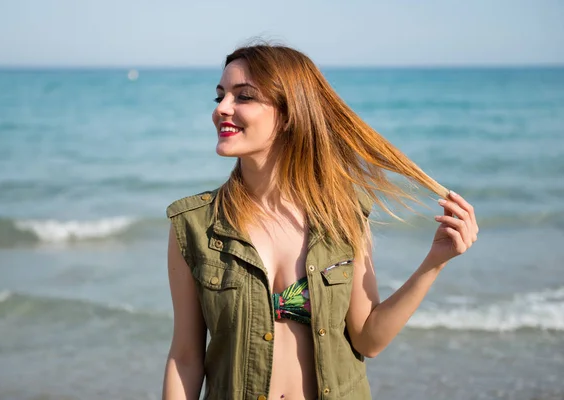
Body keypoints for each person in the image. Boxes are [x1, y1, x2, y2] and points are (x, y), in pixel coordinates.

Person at [162, 44, 479, 400]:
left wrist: (435, 262)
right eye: (220, 96)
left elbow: (368, 338)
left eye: (244, 97)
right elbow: (186, 358)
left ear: (288, 114)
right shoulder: (194, 225)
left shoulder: (340, 215)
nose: (221, 109)